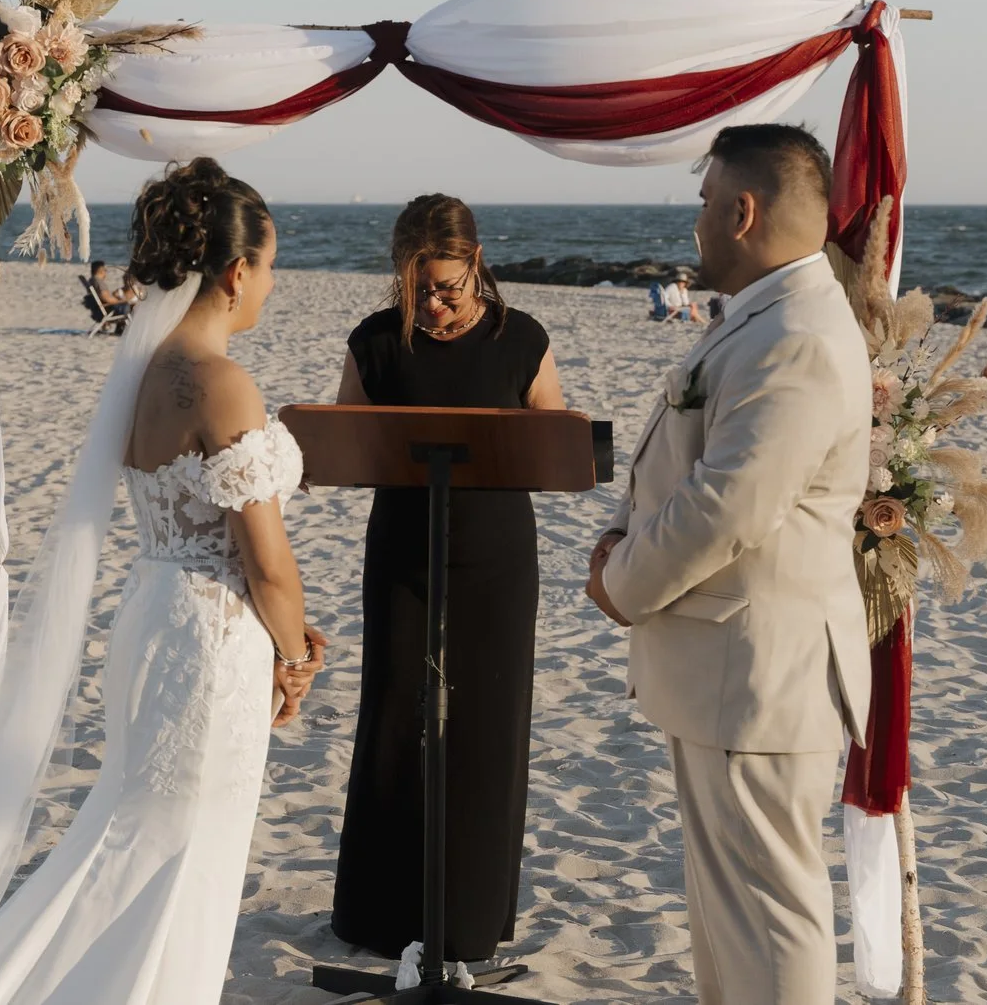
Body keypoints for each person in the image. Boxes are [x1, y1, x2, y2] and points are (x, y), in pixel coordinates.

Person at [0, 158, 325, 1005]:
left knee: (135, 837)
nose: (271, 284)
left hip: (155, 611)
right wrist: (295, 658)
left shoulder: (146, 375)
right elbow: (267, 561)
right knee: (171, 852)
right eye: (269, 267)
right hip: (213, 637)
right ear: (234, 273)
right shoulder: (223, 383)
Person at [586, 123, 875, 1005]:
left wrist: (623, 580)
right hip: (728, 665)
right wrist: (625, 531)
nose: (699, 222)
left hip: (762, 670)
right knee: (728, 912)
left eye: (706, 202)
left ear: (743, 209)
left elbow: (732, 503)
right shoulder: (770, 315)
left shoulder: (798, 332)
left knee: (768, 910)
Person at [330, 194, 565, 968]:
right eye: (418, 288)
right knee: (398, 718)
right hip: (402, 553)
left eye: (448, 286)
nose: (433, 302)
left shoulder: (521, 337)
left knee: (487, 727)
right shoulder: (374, 341)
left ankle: (471, 917)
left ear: (477, 264)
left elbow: (553, 438)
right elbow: (344, 436)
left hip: (497, 560)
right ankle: (379, 912)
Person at [83, 259, 133, 334]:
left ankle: (119, 329)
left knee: (125, 303)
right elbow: (106, 298)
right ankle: (123, 329)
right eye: (105, 270)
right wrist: (121, 300)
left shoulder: (92, 280)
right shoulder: (98, 282)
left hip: (99, 310)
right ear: (101, 270)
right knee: (129, 305)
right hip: (106, 310)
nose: (106, 272)